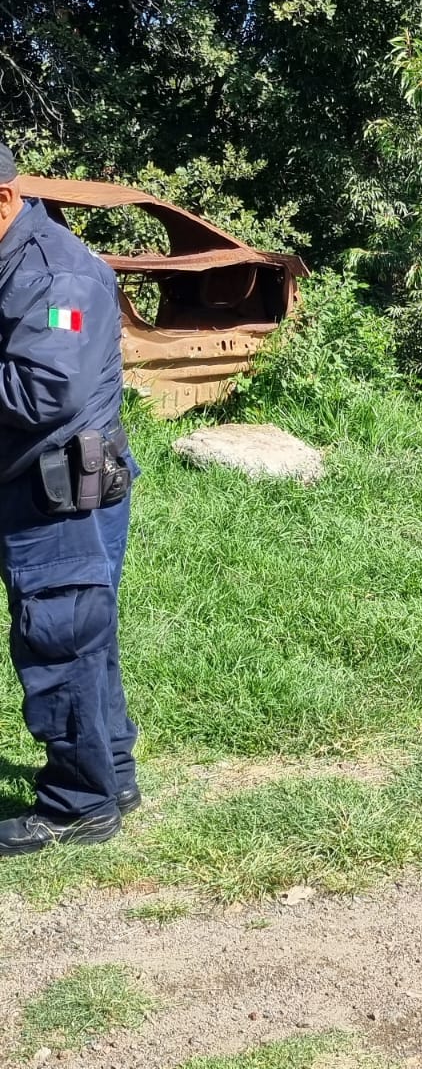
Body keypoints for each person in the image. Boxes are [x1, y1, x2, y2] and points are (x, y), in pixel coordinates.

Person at [0, 141, 138, 856]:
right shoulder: (12, 262)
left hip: (59, 495)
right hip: (40, 485)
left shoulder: (59, 280)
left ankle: (77, 806)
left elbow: (47, 390)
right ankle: (110, 774)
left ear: (2, 199)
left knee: (58, 638)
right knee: (86, 637)